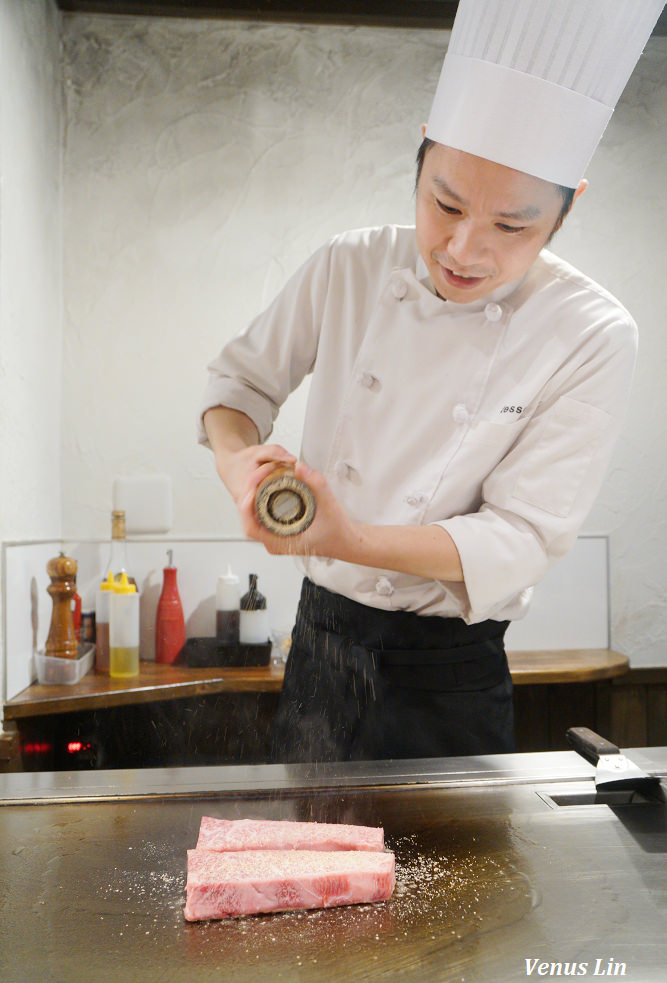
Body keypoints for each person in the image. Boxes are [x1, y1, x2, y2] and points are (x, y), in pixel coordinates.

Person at [199, 0, 663, 762]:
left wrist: (354, 538)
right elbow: (234, 388)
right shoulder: (350, 265)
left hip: (448, 675)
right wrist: (233, 460)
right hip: (317, 645)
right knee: (301, 866)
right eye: (442, 202)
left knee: (455, 883)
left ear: (566, 209)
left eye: (511, 227)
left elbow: (521, 535)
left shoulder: (591, 332)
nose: (461, 248)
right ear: (420, 154)